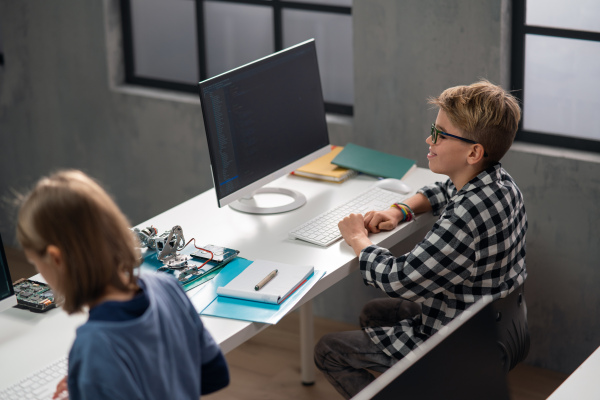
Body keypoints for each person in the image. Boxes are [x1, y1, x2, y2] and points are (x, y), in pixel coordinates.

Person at [314, 80, 527, 399]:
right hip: (497, 327)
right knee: (374, 315)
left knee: (328, 350)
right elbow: (445, 191)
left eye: (441, 134)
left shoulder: (465, 218)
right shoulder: (499, 183)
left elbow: (400, 279)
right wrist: (400, 210)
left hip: (458, 344)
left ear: (473, 152)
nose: (430, 139)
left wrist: (358, 238)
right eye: (433, 128)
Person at [16, 170, 229, 400]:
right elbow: (214, 374)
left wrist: (93, 380)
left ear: (56, 259)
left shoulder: (94, 346)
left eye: (36, 264)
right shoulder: (166, 286)